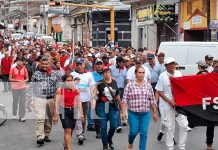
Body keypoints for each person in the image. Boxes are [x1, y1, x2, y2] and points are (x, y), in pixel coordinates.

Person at [155, 57, 188, 150]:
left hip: (179, 105)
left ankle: (182, 146)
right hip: (167, 105)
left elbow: (181, 88)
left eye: (174, 63)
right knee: (170, 128)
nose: (173, 65)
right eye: (170, 64)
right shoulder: (162, 76)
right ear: (166, 66)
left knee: (184, 125)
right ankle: (170, 147)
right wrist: (169, 101)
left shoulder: (179, 74)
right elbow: (159, 91)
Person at [122, 66, 158, 150]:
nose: (141, 74)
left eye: (143, 73)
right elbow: (124, 100)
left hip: (145, 114)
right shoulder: (130, 86)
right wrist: (123, 112)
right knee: (133, 132)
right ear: (135, 74)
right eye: (139, 72)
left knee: (144, 133)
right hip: (133, 114)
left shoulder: (148, 86)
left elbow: (152, 100)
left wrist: (155, 113)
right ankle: (130, 142)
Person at [29, 57, 62, 145]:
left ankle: (46, 134)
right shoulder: (36, 74)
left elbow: (59, 87)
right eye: (43, 64)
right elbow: (31, 88)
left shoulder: (55, 74)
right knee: (40, 118)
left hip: (51, 99)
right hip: (39, 98)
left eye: (46, 64)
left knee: (48, 119)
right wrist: (31, 100)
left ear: (50, 64)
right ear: (40, 63)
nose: (44, 65)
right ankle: (40, 137)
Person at [53, 74, 84, 150]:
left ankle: (66, 145)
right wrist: (55, 116)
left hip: (74, 111)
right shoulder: (60, 90)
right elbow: (56, 103)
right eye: (68, 80)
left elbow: (79, 102)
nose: (70, 82)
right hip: (63, 111)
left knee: (70, 130)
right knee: (67, 130)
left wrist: (81, 113)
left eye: (71, 80)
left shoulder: (76, 90)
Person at [96, 66, 123, 150]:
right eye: (105, 73)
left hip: (112, 106)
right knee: (103, 126)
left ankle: (109, 138)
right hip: (102, 106)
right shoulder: (99, 83)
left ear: (110, 73)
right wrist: (94, 99)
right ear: (102, 74)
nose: (107, 74)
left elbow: (117, 95)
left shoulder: (114, 82)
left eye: (108, 72)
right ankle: (105, 144)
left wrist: (122, 108)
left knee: (113, 126)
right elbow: (94, 94)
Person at [70, 57, 95, 145]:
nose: (79, 66)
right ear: (75, 65)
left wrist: (92, 98)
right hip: (75, 99)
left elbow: (92, 86)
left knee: (83, 117)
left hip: (86, 99)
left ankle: (82, 133)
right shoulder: (72, 74)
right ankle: (79, 134)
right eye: (77, 64)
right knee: (78, 116)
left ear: (84, 65)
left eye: (81, 64)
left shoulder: (89, 74)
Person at [110, 56, 127, 132]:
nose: (124, 64)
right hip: (114, 90)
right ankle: (118, 125)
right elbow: (107, 77)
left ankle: (123, 119)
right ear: (118, 62)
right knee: (116, 107)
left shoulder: (125, 69)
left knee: (122, 106)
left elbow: (126, 80)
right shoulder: (111, 68)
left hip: (123, 89)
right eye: (123, 62)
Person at [9, 57, 29, 121]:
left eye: (21, 61)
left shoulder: (24, 69)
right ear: (16, 62)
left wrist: (24, 81)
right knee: (15, 101)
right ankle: (14, 114)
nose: (20, 62)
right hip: (15, 87)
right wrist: (16, 80)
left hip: (23, 87)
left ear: (23, 62)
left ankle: (22, 116)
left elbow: (27, 78)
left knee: (22, 101)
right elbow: (9, 79)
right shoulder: (13, 69)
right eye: (18, 61)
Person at [205, 59, 218, 150]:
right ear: (213, 66)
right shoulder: (208, 76)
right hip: (212, 104)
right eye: (217, 66)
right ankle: (209, 145)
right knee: (210, 125)